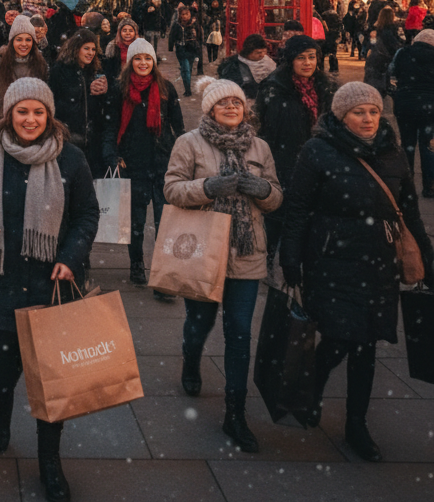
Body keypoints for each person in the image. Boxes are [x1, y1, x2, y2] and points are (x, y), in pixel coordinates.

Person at [0, 78, 98, 502]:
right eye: (22, 111)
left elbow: (87, 215)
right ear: (9, 115)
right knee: (1, 372)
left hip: (52, 289)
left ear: (49, 116)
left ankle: (49, 461)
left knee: (51, 383)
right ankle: (0, 404)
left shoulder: (70, 160)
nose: (30, 119)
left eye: (38, 112)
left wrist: (70, 256)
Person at [281, 82, 434, 461]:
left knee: (366, 345)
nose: (367, 119)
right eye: (358, 112)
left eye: (373, 112)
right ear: (340, 115)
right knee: (340, 336)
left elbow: (410, 210)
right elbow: (298, 207)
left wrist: (427, 261)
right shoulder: (318, 151)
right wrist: (291, 258)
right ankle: (313, 384)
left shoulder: (393, 153)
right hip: (331, 259)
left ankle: (356, 424)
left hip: (379, 261)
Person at [164, 79, 282, 454]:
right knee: (199, 323)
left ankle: (236, 412)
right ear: (210, 109)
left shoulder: (259, 146)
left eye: (237, 102)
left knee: (239, 333)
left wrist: (262, 190)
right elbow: (171, 189)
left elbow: (277, 196)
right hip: (203, 249)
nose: (232, 107)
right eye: (223, 103)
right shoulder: (189, 143)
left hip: (247, 254)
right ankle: (192, 358)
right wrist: (209, 187)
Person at [102, 38, 184, 298]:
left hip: (163, 163)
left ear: (154, 62)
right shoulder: (119, 90)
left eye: (147, 58)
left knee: (164, 222)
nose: (143, 63)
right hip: (132, 162)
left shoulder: (166, 89)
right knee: (136, 222)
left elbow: (179, 128)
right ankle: (136, 263)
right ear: (130, 62)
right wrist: (112, 155)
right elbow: (110, 126)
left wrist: (182, 156)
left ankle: (162, 273)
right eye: (138, 58)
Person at [253, 35, 335, 265]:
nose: (308, 63)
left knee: (309, 214)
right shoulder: (274, 87)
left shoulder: (326, 86)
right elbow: (261, 126)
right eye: (301, 58)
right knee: (277, 214)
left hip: (317, 161)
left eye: (312, 57)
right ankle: (267, 256)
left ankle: (301, 259)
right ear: (290, 60)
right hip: (282, 159)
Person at [47, 28, 110, 173]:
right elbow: (54, 103)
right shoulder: (60, 70)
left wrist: (104, 92)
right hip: (69, 137)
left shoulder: (93, 71)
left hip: (92, 141)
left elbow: (99, 107)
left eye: (93, 49)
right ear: (76, 49)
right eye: (86, 48)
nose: (90, 53)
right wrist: (85, 91)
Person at [0, 15, 50, 130]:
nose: (24, 44)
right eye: (19, 39)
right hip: (3, 124)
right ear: (12, 41)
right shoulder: (1, 60)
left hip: (30, 126)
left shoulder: (39, 63)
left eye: (28, 39)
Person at [388, 27, 434, 197]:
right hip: (430, 107)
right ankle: (429, 187)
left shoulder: (402, 53)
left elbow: (392, 72)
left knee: (407, 145)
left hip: (405, 104)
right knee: (428, 146)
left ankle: (406, 187)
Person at [216, 33, 276, 101]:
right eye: (258, 52)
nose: (262, 55)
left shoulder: (269, 62)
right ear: (248, 52)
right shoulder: (233, 65)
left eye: (264, 52)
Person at [168, 7, 202, 97]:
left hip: (191, 48)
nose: (185, 16)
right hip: (181, 49)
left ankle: (187, 85)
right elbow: (172, 36)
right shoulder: (177, 25)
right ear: (180, 15)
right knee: (185, 68)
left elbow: (200, 35)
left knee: (189, 68)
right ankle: (188, 89)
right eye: (183, 14)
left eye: (187, 14)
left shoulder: (193, 24)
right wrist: (170, 47)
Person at [101, 16, 139, 85]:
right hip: (118, 82)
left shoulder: (140, 46)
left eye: (131, 30)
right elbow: (109, 69)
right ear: (120, 32)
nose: (128, 33)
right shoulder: (113, 46)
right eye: (124, 30)